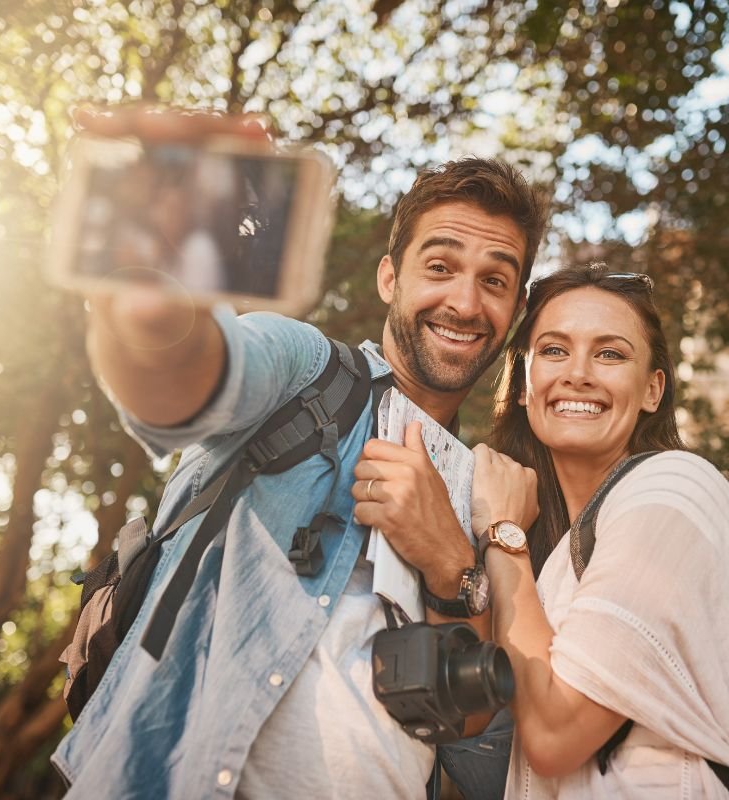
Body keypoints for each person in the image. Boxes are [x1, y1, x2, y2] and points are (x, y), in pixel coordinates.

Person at [50, 106, 548, 799]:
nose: (464, 302)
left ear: (515, 309)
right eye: (440, 266)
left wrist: (452, 569)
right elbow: (183, 382)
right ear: (389, 279)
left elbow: (479, 750)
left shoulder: (493, 497)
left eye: (494, 280)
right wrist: (150, 304)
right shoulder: (305, 368)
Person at [468, 263, 729, 797]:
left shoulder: (673, 491)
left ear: (653, 390)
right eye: (555, 350)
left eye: (610, 353)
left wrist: (504, 534)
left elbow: (555, 735)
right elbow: (468, 721)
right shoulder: (564, 547)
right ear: (522, 385)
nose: (578, 373)